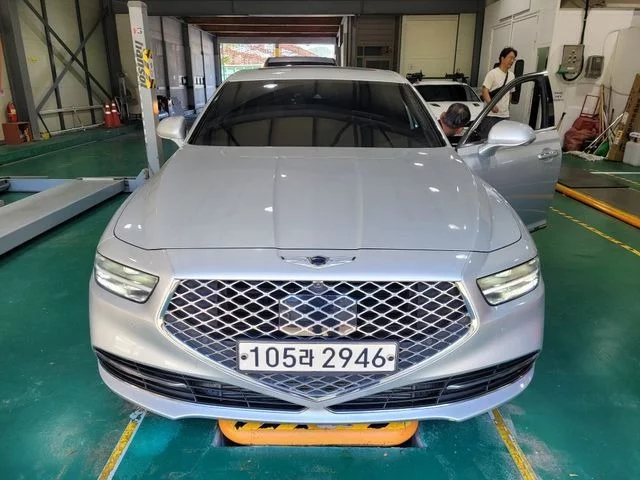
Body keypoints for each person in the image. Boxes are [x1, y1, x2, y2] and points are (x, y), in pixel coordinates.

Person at [480, 47, 517, 136]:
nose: (512, 61)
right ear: (502, 58)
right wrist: (491, 106)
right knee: (487, 139)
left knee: (502, 139)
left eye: (514, 59)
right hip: (491, 116)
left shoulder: (512, 75)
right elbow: (485, 91)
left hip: (505, 116)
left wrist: (507, 108)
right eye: (510, 58)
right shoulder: (492, 73)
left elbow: (510, 93)